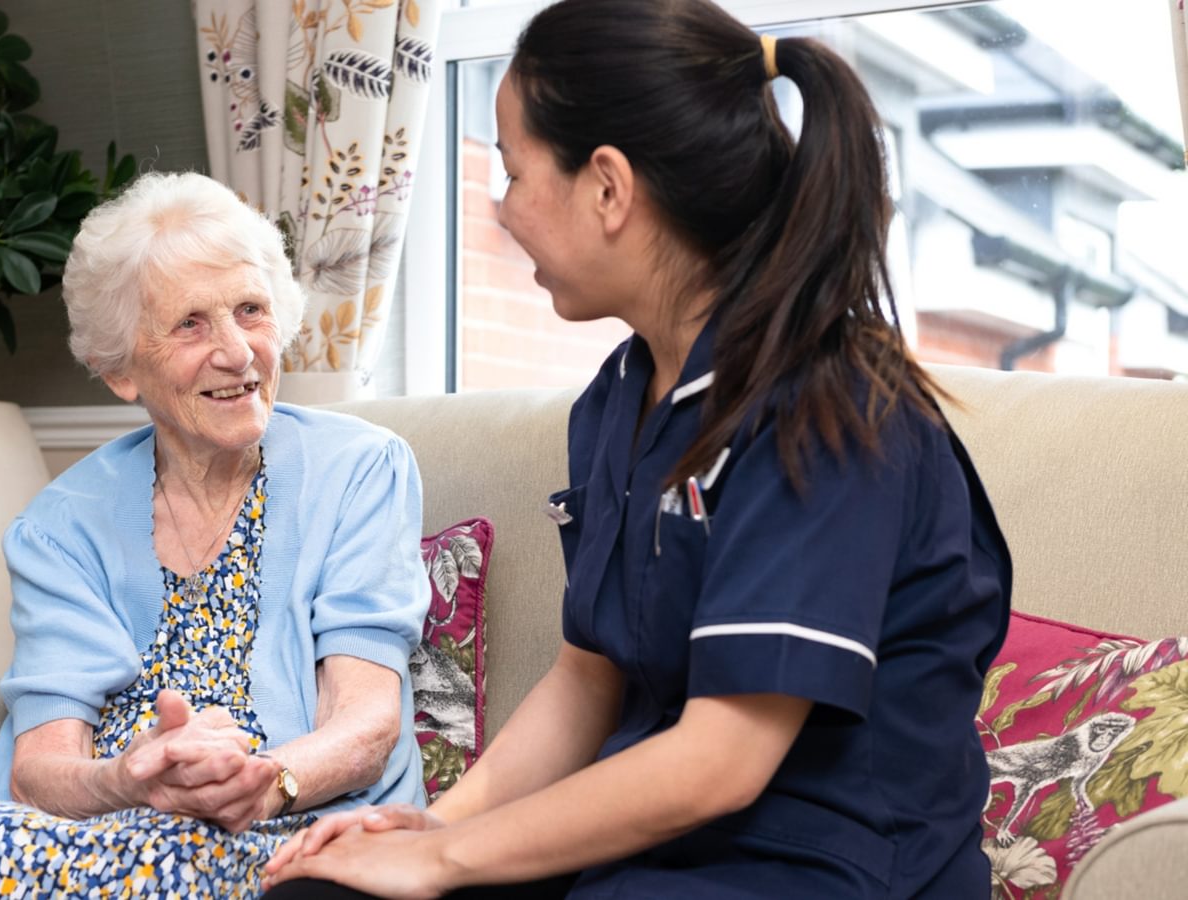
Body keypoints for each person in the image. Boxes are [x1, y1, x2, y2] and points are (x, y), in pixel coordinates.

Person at [261, 0, 1012, 897]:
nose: (502, 211)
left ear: (608, 187)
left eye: (513, 172)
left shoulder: (833, 407)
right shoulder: (618, 401)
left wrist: (442, 862)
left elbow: (718, 765)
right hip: (655, 850)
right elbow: (588, 682)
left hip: (818, 864)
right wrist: (434, 825)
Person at [0, 171, 432, 899]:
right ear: (122, 369)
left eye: (251, 311)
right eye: (191, 324)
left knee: (180, 860)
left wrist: (265, 782)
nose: (238, 353)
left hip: (290, 818)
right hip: (111, 826)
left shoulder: (360, 469)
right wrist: (125, 778)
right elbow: (41, 768)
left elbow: (368, 722)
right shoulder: (63, 522)